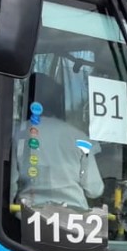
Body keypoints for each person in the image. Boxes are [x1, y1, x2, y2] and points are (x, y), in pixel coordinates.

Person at [14, 74, 103, 210]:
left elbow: (9, 185)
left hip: (27, 218)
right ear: (59, 102)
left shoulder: (18, 133)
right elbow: (95, 189)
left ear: (26, 100)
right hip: (73, 221)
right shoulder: (78, 137)